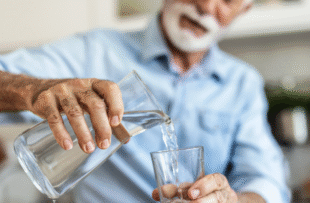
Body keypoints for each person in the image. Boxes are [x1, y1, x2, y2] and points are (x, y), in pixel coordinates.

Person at [0, 0, 290, 202]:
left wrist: (234, 200)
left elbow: (265, 178)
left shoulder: (242, 83)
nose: (205, 5)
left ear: (244, 9)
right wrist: (31, 89)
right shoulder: (95, 52)